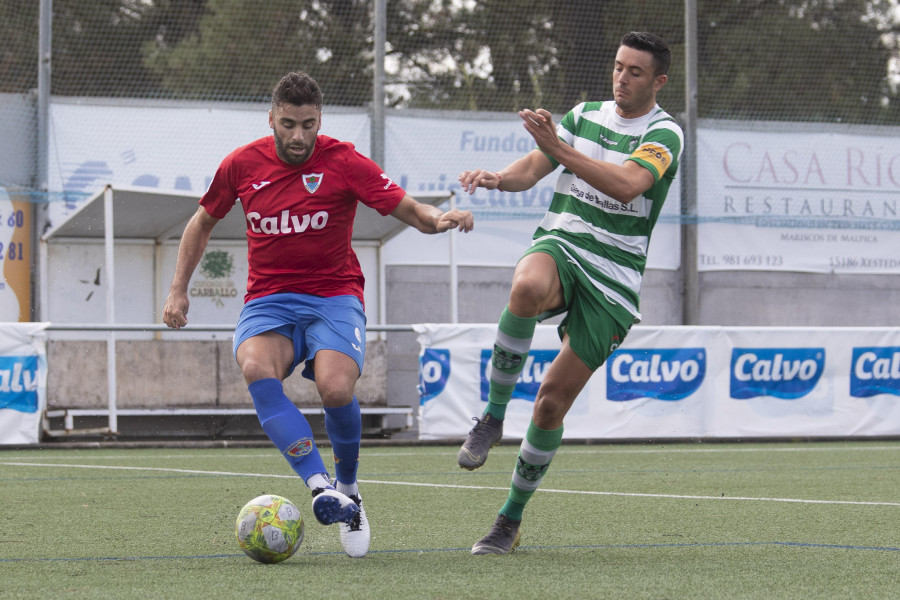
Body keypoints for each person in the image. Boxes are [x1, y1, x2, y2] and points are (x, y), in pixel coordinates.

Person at [162, 71, 474, 559]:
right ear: (272, 118)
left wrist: (441, 219)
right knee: (255, 367)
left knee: (334, 387)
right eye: (288, 124)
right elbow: (202, 221)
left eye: (308, 124)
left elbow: (407, 208)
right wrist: (178, 290)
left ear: (319, 119)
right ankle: (317, 485)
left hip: (334, 296)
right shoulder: (241, 165)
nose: (298, 136)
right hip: (269, 300)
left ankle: (348, 490)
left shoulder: (345, 161)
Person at [456, 31, 683, 555]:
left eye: (636, 72)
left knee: (550, 406)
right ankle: (491, 417)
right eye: (619, 66)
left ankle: (508, 522)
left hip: (615, 279)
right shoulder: (584, 115)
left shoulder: (666, 133)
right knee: (527, 283)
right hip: (565, 241)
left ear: (659, 81)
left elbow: (627, 184)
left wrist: (556, 145)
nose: (622, 78)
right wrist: (497, 178)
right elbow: (534, 169)